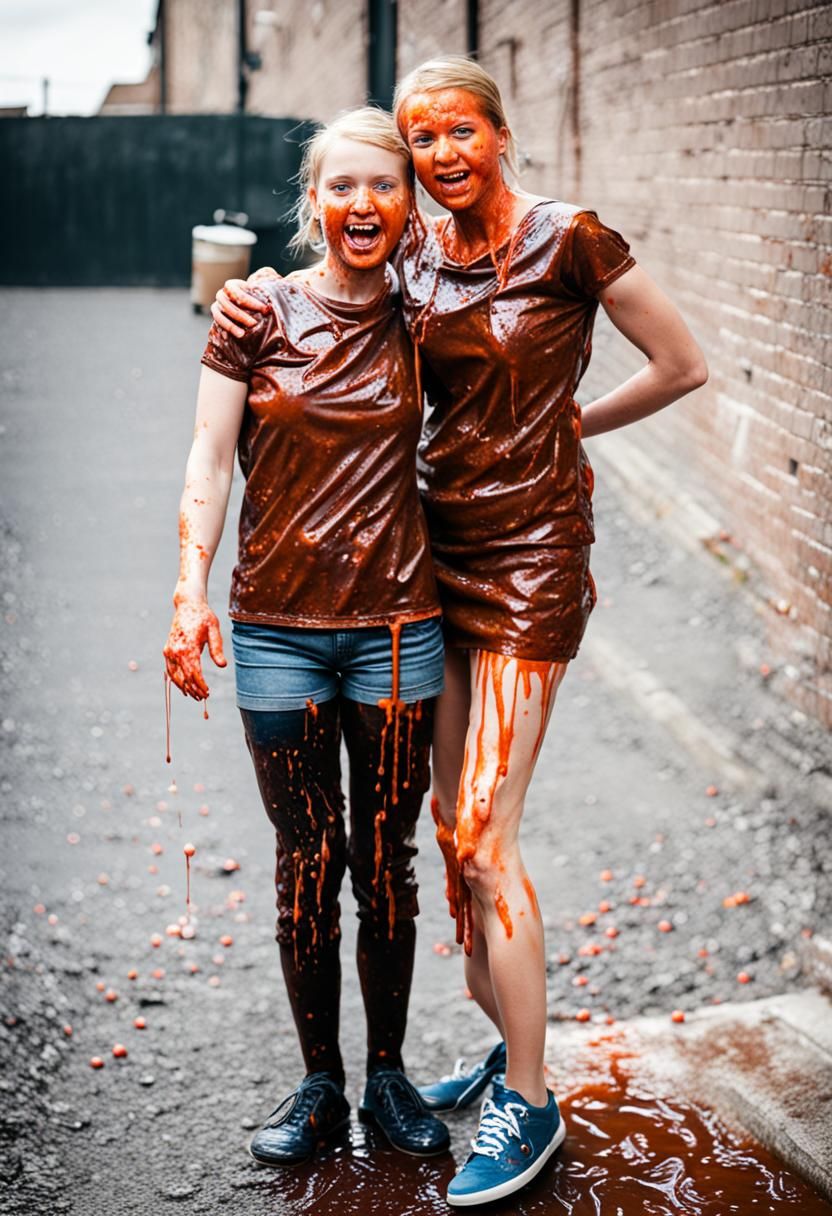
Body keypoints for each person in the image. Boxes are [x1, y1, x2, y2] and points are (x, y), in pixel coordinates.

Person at [213, 56, 707, 1207]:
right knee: (446, 835)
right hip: (436, 552)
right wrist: (248, 297)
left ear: (499, 132)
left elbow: (682, 365)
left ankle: (527, 1099)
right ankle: (508, 1038)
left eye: (456, 135)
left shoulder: (571, 239)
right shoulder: (420, 254)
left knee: (485, 833)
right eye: (418, 139)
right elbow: (328, 286)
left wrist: (569, 426)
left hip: (532, 560)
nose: (436, 159)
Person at [164, 107, 452, 1169]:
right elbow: (207, 457)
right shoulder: (253, 315)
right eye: (343, 187)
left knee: (384, 862)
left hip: (393, 634)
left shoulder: (428, 318)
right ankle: (320, 1082)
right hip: (277, 631)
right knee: (305, 860)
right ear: (314, 203)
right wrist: (187, 591)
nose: (363, 205)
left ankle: (387, 1074)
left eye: (385, 186)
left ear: (407, 203)